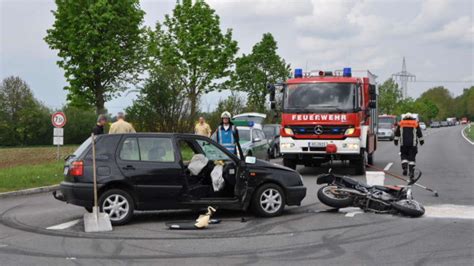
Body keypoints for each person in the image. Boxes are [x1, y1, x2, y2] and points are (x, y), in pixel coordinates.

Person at [394, 113, 424, 179]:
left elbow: (397, 133)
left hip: (403, 144)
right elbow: (419, 133)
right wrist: (421, 141)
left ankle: (405, 168)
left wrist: (396, 141)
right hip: (413, 144)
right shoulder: (415, 123)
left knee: (404, 156)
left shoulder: (401, 123)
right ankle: (411, 172)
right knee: (412, 158)